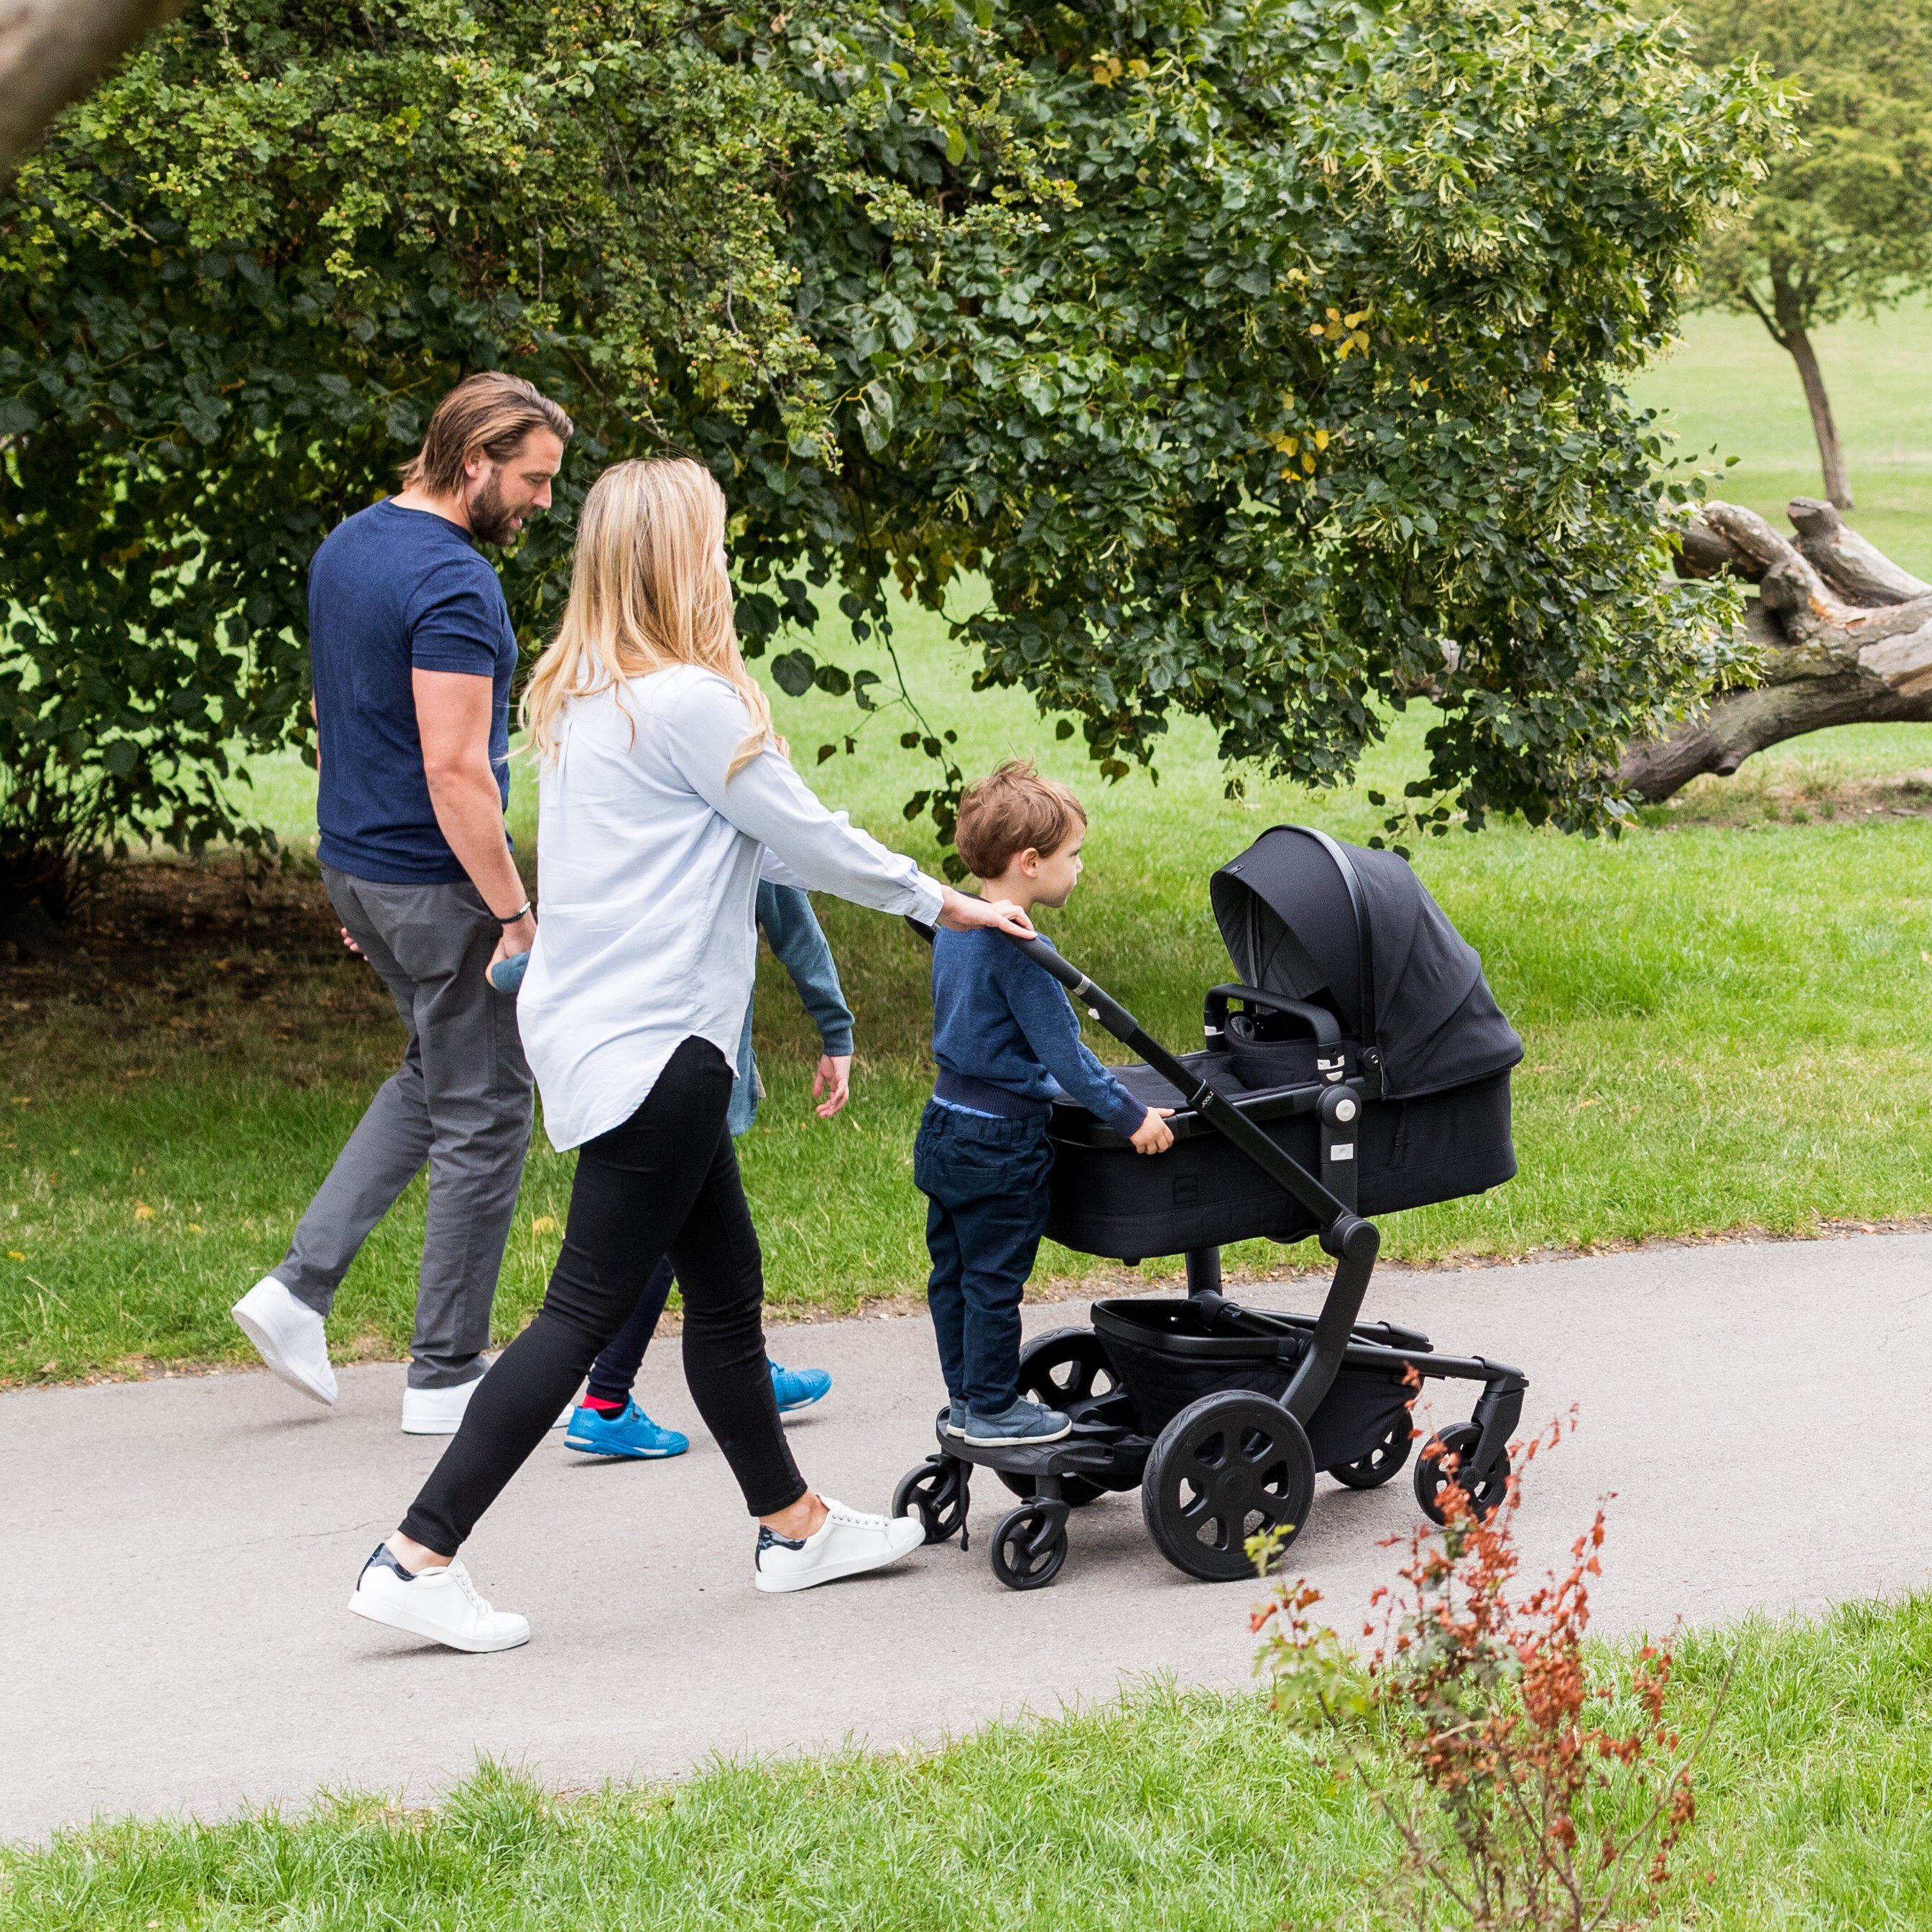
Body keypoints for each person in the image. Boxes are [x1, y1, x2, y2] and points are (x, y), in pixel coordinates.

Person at [348, 456, 1036, 1653]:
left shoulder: (584, 695)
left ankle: (794, 1523)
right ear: (679, 558)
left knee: (724, 1294)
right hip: (660, 1042)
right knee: (577, 1315)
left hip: (605, 1029)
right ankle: (417, 1550)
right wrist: (942, 901)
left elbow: (744, 850)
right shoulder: (689, 705)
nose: (722, 558)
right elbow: (802, 837)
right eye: (714, 541)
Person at [231, 372, 573, 1436]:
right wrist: (514, 912)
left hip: (366, 868)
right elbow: (457, 773)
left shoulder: (350, 544)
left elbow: (335, 717)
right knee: (487, 1113)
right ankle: (445, 1375)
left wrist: (354, 869)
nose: (542, 502)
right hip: (437, 880)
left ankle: (297, 1291)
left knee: (436, 1073)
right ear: (474, 461)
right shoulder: (455, 583)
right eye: (532, 479)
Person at [915, 760, 1174, 1447]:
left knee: (955, 1274)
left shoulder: (954, 925)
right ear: (1030, 863)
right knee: (995, 1281)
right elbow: (1069, 1059)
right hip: (999, 1143)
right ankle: (996, 1407)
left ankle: (967, 1398)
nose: (1079, 868)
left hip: (943, 1127)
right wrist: (1133, 1118)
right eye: (1073, 855)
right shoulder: (1022, 948)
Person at [563, 879, 847, 1459]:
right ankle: (607, 1400)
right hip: (692, 1066)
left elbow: (575, 940)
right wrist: (834, 1027)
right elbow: (796, 927)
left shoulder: (630, 818)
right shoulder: (736, 811)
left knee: (688, 1234)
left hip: (620, 1060)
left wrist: (497, 956)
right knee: (669, 1240)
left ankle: (736, 1366)